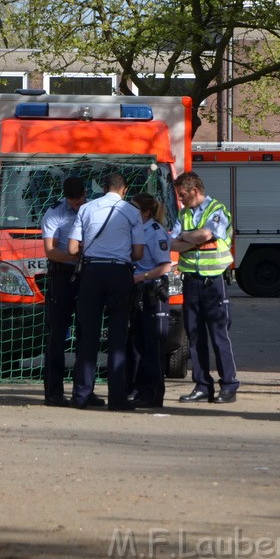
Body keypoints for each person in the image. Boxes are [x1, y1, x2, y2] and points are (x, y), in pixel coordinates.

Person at [67, 173, 144, 411]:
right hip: (120, 274)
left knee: (87, 336)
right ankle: (118, 398)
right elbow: (139, 253)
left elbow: (71, 249)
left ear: (103, 188)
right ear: (124, 190)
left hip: (92, 273)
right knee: (118, 337)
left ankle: (81, 395)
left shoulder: (87, 209)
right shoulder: (132, 212)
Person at [170, 171, 240, 404]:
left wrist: (188, 237)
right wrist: (194, 239)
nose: (180, 200)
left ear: (195, 191)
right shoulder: (184, 213)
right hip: (191, 281)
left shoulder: (217, 210)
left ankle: (229, 386)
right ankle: (202, 386)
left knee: (219, 335)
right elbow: (174, 243)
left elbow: (207, 234)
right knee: (194, 335)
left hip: (214, 281)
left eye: (182, 195)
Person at [40, 176, 87, 408]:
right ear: (66, 197)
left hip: (86, 276)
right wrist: (74, 255)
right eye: (73, 202)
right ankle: (53, 392)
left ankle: (83, 390)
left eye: (80, 200)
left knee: (85, 335)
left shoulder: (92, 209)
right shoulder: (55, 213)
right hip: (62, 276)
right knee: (57, 336)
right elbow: (50, 251)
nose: (77, 206)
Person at [127, 193, 173, 408]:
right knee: (138, 344)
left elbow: (165, 265)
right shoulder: (135, 230)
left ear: (146, 213)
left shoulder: (155, 232)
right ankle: (138, 390)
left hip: (152, 292)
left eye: (135, 208)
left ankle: (153, 394)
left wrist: (141, 276)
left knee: (153, 346)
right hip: (138, 292)